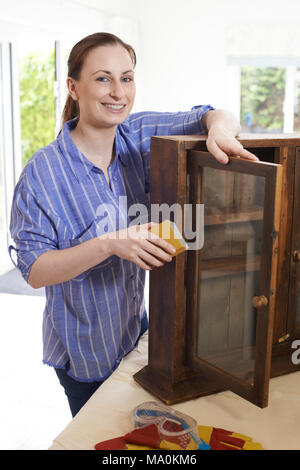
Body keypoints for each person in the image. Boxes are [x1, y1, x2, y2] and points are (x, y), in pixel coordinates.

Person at [9, 32, 258, 417]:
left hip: (135, 331)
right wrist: (110, 243)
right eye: (103, 78)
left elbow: (212, 113)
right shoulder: (41, 173)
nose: (118, 92)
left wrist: (220, 131)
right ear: (74, 87)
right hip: (83, 351)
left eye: (126, 78)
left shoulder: (137, 136)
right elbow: (36, 271)